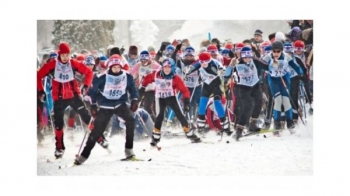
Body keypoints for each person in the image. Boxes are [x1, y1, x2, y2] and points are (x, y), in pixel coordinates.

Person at [74, 55, 140, 165]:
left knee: (131, 121)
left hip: (120, 104)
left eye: (118, 67)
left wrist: (135, 100)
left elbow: (133, 89)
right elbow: (92, 92)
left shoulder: (126, 76)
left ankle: (129, 151)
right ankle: (83, 156)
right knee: (96, 132)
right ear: (109, 67)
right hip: (106, 106)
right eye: (114, 67)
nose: (116, 69)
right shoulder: (101, 77)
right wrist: (93, 105)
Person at [37, 42, 94, 158]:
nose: (65, 57)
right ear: (59, 54)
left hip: (74, 95)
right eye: (63, 55)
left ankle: (99, 137)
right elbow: (38, 75)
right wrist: (41, 90)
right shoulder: (52, 64)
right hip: (59, 98)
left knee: (86, 116)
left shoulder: (73, 63)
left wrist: (86, 85)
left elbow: (89, 72)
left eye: (67, 55)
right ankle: (59, 147)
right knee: (58, 123)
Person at [139, 58, 202, 146]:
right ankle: (155, 138)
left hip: (171, 98)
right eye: (165, 67)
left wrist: (186, 101)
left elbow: (184, 90)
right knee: (159, 117)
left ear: (172, 68)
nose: (167, 69)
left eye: (169, 67)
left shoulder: (175, 78)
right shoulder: (156, 74)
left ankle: (189, 134)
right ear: (162, 67)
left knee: (180, 115)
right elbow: (146, 79)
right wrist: (142, 88)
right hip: (160, 98)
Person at [262, 41, 304, 135]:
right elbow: (260, 66)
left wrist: (300, 73)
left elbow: (295, 66)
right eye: (274, 51)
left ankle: (290, 123)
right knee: (277, 100)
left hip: (284, 80)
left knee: (286, 100)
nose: (276, 53)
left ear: (281, 51)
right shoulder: (268, 57)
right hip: (273, 80)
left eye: (278, 51)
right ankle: (277, 124)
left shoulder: (286, 57)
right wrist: (265, 70)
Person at [186, 52, 232, 136]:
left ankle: (225, 127)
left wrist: (222, 72)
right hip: (207, 86)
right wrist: (186, 71)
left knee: (217, 104)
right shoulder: (199, 64)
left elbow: (223, 71)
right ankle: (201, 127)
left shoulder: (215, 63)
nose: (204, 63)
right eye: (202, 61)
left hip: (216, 86)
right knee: (202, 104)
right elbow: (190, 69)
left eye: (206, 61)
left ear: (210, 59)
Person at [228, 46, 269, 140]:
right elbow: (227, 74)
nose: (247, 58)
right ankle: (239, 129)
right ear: (241, 56)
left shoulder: (255, 61)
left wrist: (274, 65)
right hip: (243, 87)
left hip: (255, 85)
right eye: (245, 56)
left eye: (249, 56)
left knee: (259, 102)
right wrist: (231, 66)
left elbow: (267, 66)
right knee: (248, 105)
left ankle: (253, 124)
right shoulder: (237, 63)